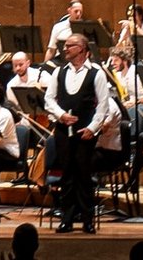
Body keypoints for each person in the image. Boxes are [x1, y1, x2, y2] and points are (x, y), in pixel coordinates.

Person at [44, 32, 115, 233]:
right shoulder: (59, 72)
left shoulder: (96, 73)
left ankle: (87, 220)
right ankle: (66, 219)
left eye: (70, 45)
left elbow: (103, 105)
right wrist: (61, 115)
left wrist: (92, 128)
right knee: (66, 174)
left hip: (85, 132)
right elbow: (49, 99)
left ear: (82, 49)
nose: (65, 49)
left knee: (84, 176)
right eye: (65, 45)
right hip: (63, 131)